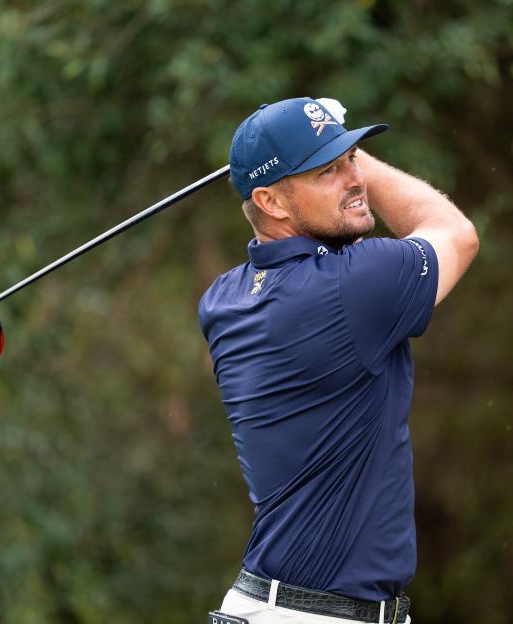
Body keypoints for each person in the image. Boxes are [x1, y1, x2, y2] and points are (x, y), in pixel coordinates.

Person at [199, 97, 478, 624]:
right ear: (271, 201)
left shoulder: (225, 299)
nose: (355, 178)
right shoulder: (351, 286)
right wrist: (355, 153)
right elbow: (455, 233)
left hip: (270, 606)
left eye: (353, 158)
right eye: (328, 170)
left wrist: (332, 146)